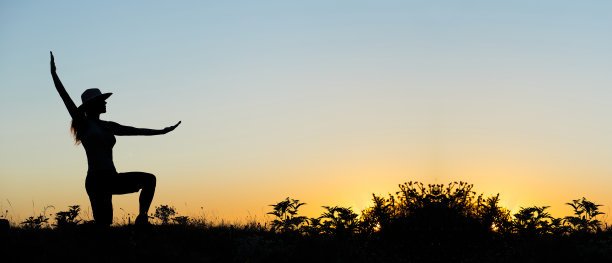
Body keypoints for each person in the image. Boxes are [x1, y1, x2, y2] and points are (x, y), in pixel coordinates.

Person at [50, 51, 181, 227]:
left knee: (149, 179)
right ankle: (72, 228)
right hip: (96, 180)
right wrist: (54, 74)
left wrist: (161, 131)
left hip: (112, 177)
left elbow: (135, 130)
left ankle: (142, 218)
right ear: (92, 105)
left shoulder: (108, 125)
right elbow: (65, 98)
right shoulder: (84, 124)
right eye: (101, 101)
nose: (105, 103)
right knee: (104, 225)